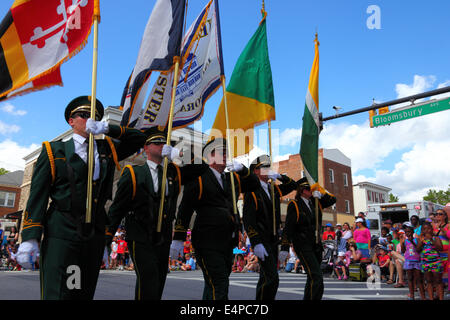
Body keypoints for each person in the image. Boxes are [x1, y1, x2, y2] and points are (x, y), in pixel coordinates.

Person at [16, 96, 150, 300]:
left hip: (92, 235)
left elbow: (140, 139)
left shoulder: (106, 150)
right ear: (71, 121)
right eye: (83, 115)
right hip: (63, 233)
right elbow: (38, 196)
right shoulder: (55, 151)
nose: (89, 119)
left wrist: (106, 129)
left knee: (82, 292)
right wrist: (30, 237)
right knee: (61, 292)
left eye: (94, 117)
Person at [106, 127, 208, 300]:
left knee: (159, 280)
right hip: (140, 235)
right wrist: (106, 238)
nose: (162, 145)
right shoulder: (133, 173)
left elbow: (201, 167)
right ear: (146, 148)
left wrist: (180, 153)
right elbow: (117, 208)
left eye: (164, 143)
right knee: (148, 278)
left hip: (163, 236)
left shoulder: (173, 172)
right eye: (156, 142)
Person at [171, 138, 259, 300]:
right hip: (206, 240)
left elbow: (254, 184)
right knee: (219, 284)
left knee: (214, 283)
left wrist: (243, 170)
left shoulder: (231, 179)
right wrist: (178, 238)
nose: (225, 156)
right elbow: (185, 207)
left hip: (227, 241)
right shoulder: (199, 176)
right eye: (221, 152)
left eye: (227, 152)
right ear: (210, 156)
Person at [242, 154, 297, 300]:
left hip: (273, 239)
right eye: (263, 167)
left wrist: (279, 176)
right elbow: (248, 219)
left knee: (266, 278)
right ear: (255, 171)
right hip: (261, 240)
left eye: (268, 167)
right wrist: (256, 242)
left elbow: (293, 185)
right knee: (272, 277)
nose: (267, 170)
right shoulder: (251, 190)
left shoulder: (273, 189)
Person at [281, 177, 337, 300]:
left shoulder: (316, 202)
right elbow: (288, 227)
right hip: (302, 245)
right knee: (315, 276)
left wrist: (321, 191)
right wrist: (284, 246)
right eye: (308, 188)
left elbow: (333, 199)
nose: (310, 191)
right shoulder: (294, 205)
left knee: (315, 278)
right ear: (301, 190)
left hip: (315, 245)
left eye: (311, 188)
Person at [417, 221, 444, 300]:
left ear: (432, 229)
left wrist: (431, 240)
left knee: (438, 281)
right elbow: (418, 250)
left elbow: (440, 248)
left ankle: (441, 297)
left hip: (436, 262)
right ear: (422, 231)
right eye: (424, 229)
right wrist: (421, 241)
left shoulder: (436, 238)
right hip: (426, 263)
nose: (427, 231)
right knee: (429, 281)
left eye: (428, 229)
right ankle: (431, 297)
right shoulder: (421, 239)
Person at [401, 223, 425, 300]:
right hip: (408, 261)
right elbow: (403, 250)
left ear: (413, 232)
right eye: (406, 232)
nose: (408, 233)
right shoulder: (405, 241)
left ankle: (423, 296)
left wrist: (412, 242)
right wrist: (401, 242)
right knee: (410, 278)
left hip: (417, 261)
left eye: (409, 232)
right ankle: (412, 295)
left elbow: (418, 249)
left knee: (419, 279)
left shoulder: (417, 240)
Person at [433, 209, 449, 291]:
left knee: (447, 275)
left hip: (447, 254)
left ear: (445, 216)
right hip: (437, 255)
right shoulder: (433, 227)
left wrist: (441, 229)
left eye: (440, 214)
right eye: (436, 214)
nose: (437, 216)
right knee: (438, 276)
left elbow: (448, 236)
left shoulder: (448, 226)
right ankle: (440, 293)